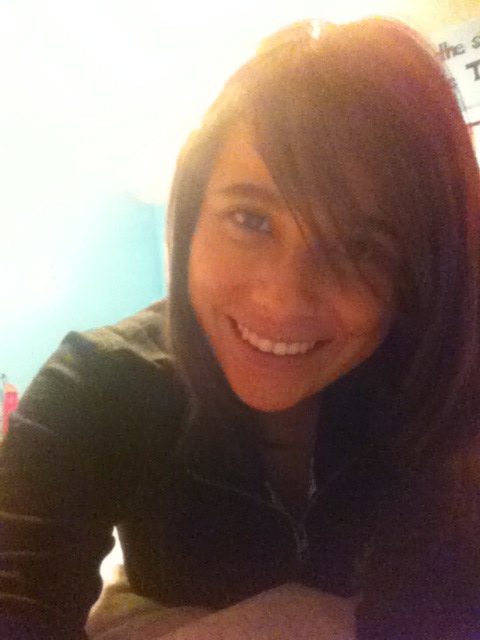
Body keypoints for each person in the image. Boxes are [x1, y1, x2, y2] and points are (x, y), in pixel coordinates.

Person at [1, 16, 480, 640]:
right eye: (251, 219)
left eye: (362, 248)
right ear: (191, 216)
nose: (282, 299)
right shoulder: (96, 385)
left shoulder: (444, 389)